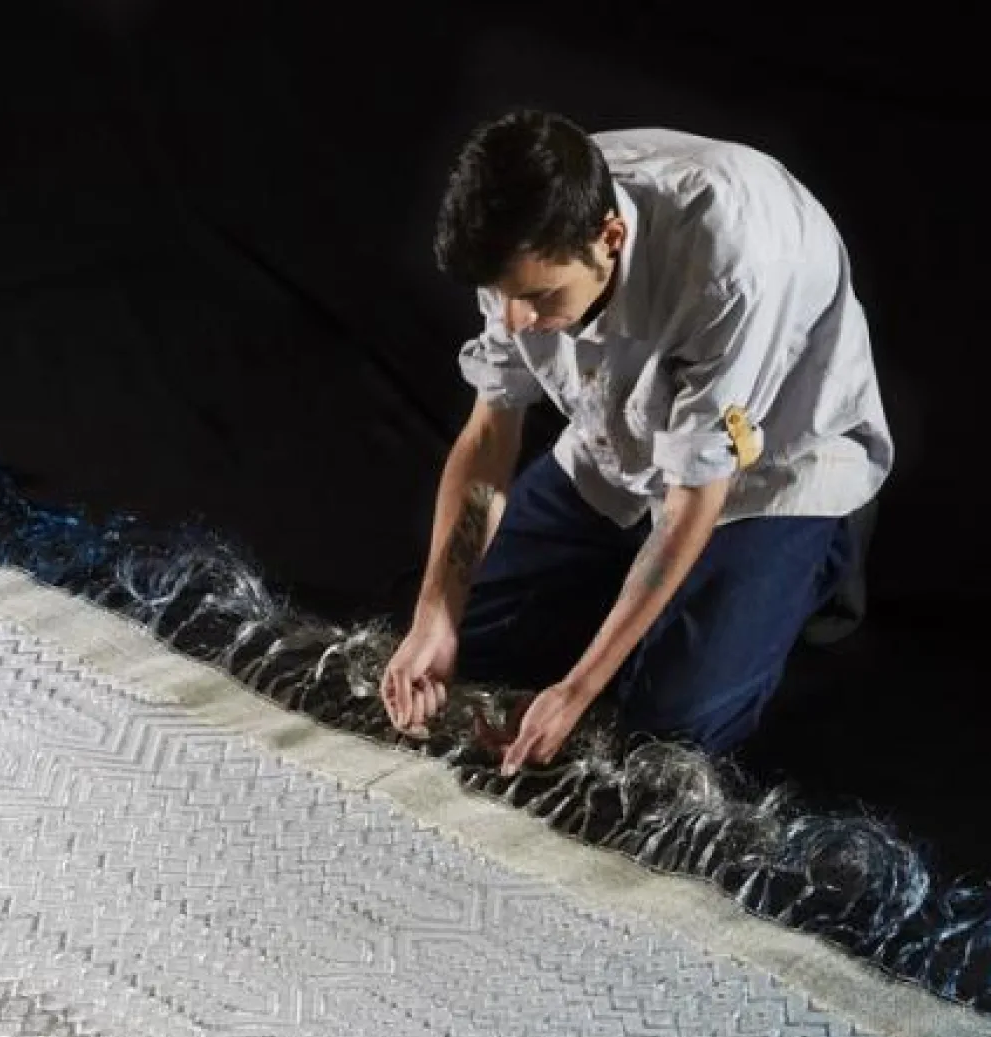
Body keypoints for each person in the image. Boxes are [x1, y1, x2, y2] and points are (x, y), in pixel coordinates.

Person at [380, 111, 892, 774]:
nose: (516, 321)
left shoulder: (730, 265)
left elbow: (693, 499)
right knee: (457, 648)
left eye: (538, 297)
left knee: (666, 731)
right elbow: (488, 434)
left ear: (610, 238)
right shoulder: (519, 237)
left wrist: (577, 689)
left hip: (767, 467)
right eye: (503, 298)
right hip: (620, 436)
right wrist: (435, 615)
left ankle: (822, 555)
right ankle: (619, 588)